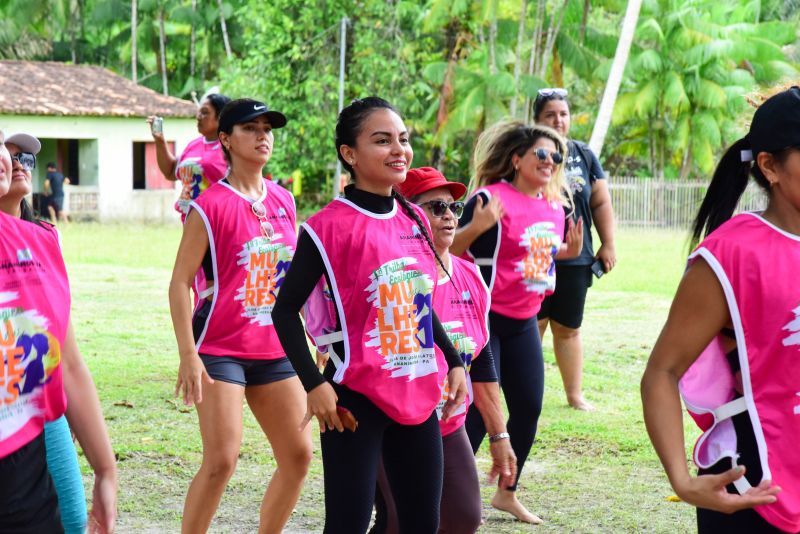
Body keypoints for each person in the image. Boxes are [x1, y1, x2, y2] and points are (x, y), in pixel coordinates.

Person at [272, 97, 468, 534]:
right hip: (353, 398)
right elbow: (283, 311)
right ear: (349, 153)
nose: (399, 149)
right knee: (348, 523)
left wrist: (453, 359)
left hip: (417, 393)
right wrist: (314, 384)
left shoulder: (416, 217)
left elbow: (418, 301)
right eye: (382, 141)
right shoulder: (325, 226)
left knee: (422, 522)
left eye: (403, 139)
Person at [641, 86, 800, 532]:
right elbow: (662, 371)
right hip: (755, 496)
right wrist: (682, 479)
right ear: (769, 166)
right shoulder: (731, 254)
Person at [169, 98, 311, 534]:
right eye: (250, 128)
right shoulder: (208, 205)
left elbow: (299, 282)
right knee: (221, 459)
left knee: (299, 457)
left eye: (268, 128)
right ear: (226, 140)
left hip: (276, 347)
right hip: (219, 346)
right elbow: (179, 283)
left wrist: (320, 343)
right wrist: (188, 355)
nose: (263, 136)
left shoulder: (285, 201)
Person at [370, 167, 517, 534]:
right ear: (406, 213)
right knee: (399, 521)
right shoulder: (389, 276)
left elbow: (481, 361)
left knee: (464, 517)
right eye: (436, 207)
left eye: (454, 207)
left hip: (448, 423)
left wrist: (499, 436)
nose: (450, 216)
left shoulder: (470, 277)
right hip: (393, 421)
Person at [451, 121, 583, 524]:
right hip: (485, 321)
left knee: (528, 409)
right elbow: (448, 250)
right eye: (541, 154)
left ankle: (507, 493)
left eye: (555, 156)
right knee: (476, 415)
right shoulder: (490, 199)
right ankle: (443, 489)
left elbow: (532, 252)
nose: (549, 162)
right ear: (517, 159)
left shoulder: (555, 207)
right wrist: (477, 226)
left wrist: (566, 251)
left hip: (525, 321)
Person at [0, 130, 117, 533]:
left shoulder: (43, 241)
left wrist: (105, 469)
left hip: (29, 439)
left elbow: (66, 359)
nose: (12, 162)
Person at [533, 88, 616, 411]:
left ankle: (574, 395)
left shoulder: (584, 155)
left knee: (568, 329)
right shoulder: (524, 152)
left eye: (563, 114)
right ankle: (525, 394)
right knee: (532, 327)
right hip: (534, 255)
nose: (558, 120)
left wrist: (608, 243)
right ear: (537, 119)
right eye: (550, 115)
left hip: (576, 258)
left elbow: (600, 201)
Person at [148, 93, 231, 217]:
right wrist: (159, 140)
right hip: (190, 218)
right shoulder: (193, 145)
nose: (198, 117)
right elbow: (170, 172)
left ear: (221, 117)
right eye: (199, 112)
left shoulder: (230, 146)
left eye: (204, 112)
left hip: (218, 219)